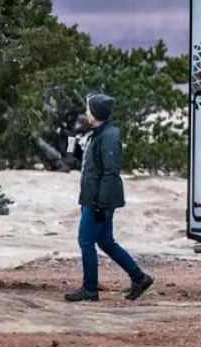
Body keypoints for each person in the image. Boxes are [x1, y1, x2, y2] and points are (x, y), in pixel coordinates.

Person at [65, 93, 155, 302]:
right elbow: (78, 160)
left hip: (98, 200)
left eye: (88, 109)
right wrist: (71, 141)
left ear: (95, 113)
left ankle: (90, 289)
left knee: (85, 241)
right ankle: (139, 278)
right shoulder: (97, 134)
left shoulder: (109, 137)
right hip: (92, 197)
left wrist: (101, 205)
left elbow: (110, 173)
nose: (86, 113)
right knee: (105, 241)